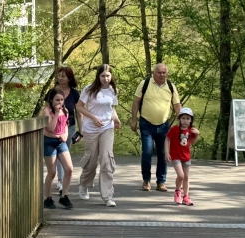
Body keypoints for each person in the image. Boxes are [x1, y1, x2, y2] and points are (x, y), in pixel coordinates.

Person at [130, 63, 181, 192]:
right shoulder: (145, 84)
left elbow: (176, 105)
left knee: (163, 153)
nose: (162, 75)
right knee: (147, 152)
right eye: (159, 72)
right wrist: (134, 120)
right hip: (146, 124)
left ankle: (161, 182)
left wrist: (183, 123)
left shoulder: (171, 87)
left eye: (164, 73)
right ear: (154, 73)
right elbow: (136, 102)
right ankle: (146, 180)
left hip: (164, 125)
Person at [76, 64, 121, 207]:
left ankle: (107, 196)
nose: (105, 79)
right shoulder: (89, 89)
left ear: (111, 76)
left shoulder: (113, 90)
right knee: (91, 161)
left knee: (107, 160)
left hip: (107, 127)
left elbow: (111, 108)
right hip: (91, 128)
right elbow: (79, 107)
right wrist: (93, 117)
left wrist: (116, 118)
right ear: (98, 76)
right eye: (103, 76)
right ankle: (84, 184)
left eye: (108, 76)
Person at [42, 88, 74, 209]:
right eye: (57, 100)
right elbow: (50, 128)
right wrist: (56, 113)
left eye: (61, 100)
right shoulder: (47, 111)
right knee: (52, 172)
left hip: (61, 142)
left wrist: (65, 134)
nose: (59, 102)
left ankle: (64, 196)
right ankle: (48, 198)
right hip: (49, 142)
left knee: (69, 169)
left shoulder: (65, 110)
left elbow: (65, 125)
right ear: (51, 100)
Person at [164, 108, 200, 206]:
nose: (185, 121)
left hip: (186, 156)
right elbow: (167, 139)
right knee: (181, 175)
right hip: (176, 156)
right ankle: (177, 191)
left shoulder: (191, 130)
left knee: (186, 177)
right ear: (179, 119)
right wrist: (167, 153)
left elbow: (192, 142)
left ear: (191, 120)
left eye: (188, 118)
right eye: (183, 118)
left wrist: (197, 135)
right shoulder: (175, 129)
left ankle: (186, 197)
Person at [54, 67, 81, 192]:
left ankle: (63, 179)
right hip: (55, 128)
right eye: (59, 75)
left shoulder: (74, 93)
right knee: (60, 153)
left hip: (70, 128)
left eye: (64, 76)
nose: (61, 78)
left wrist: (81, 131)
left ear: (69, 78)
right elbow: (46, 109)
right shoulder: (52, 92)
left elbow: (79, 113)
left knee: (65, 152)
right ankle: (61, 180)